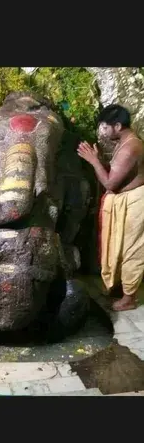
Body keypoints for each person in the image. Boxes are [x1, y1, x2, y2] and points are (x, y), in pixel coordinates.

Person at [77, 104, 144, 311]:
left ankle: (129, 299)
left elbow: (110, 183)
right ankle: (120, 287)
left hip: (134, 202)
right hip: (124, 201)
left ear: (117, 126)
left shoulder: (131, 146)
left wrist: (93, 161)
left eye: (105, 127)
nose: (102, 132)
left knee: (132, 249)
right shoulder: (124, 143)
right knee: (119, 247)